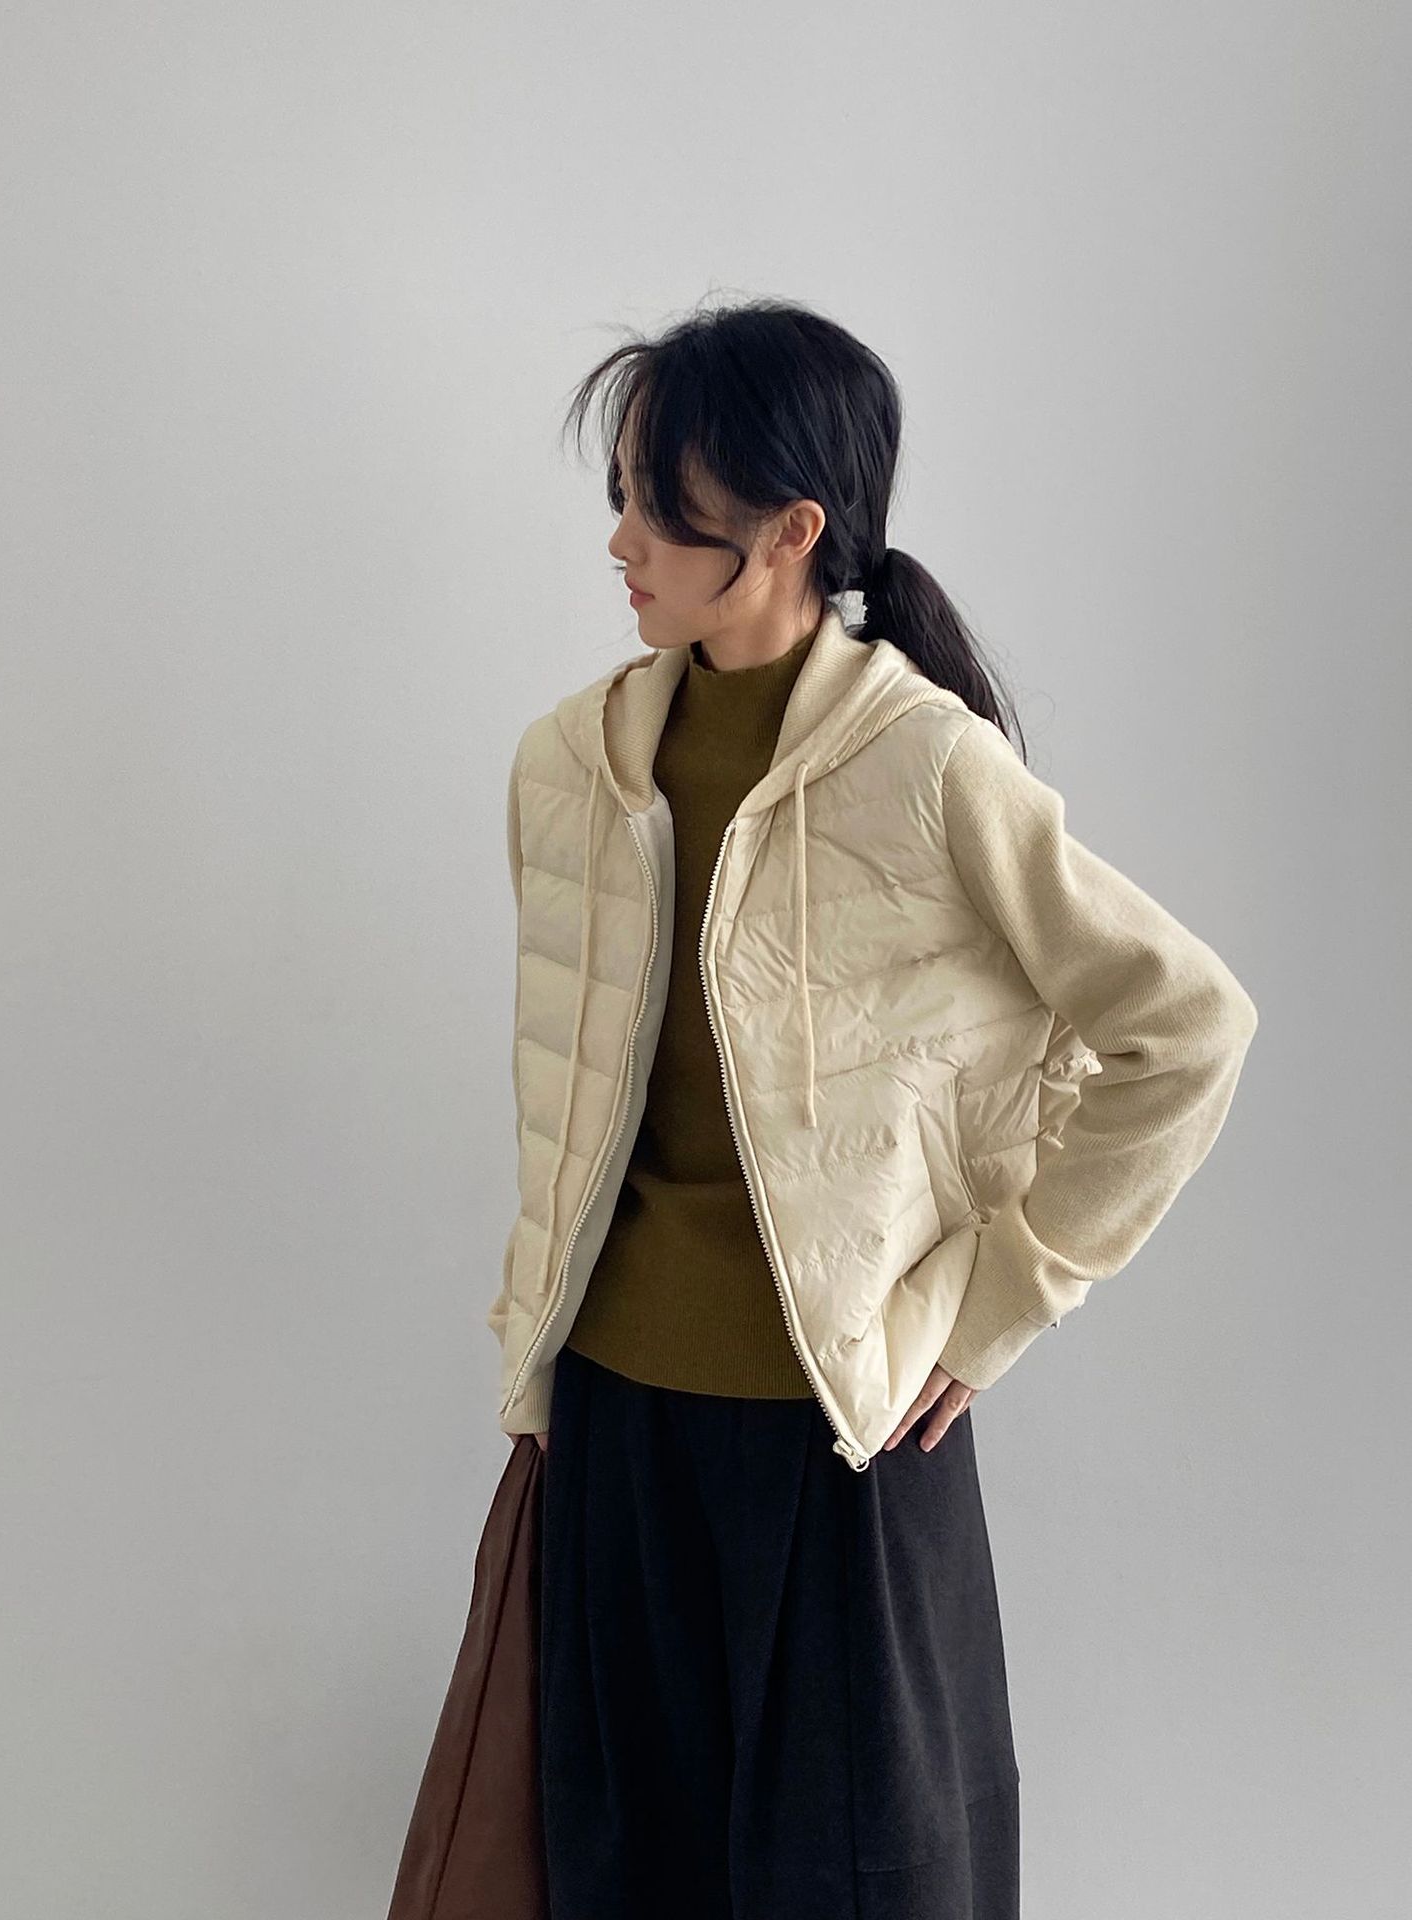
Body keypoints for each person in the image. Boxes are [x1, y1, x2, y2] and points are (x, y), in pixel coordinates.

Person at [484, 297, 1258, 1919]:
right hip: (616, 1422)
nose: (619, 542)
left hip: (842, 1428)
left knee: (863, 1878)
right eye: (619, 497)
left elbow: (1184, 1026)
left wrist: (997, 1298)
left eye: (658, 505)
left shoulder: (924, 764)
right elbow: (571, 1093)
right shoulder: (571, 765)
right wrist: (534, 1354)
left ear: (789, 531)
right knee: (626, 1871)